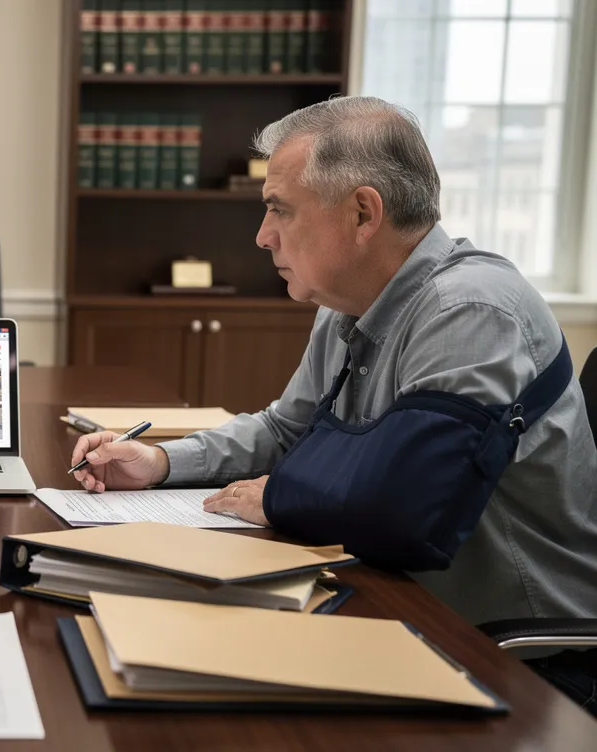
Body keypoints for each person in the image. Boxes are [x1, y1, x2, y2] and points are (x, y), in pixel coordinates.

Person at [71, 96, 597, 713]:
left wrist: (273, 496)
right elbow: (286, 431)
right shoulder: (348, 303)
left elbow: (402, 507)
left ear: (363, 212)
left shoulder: (471, 310)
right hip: (401, 608)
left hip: (518, 660)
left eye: (279, 210)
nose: (263, 236)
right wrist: (160, 462)